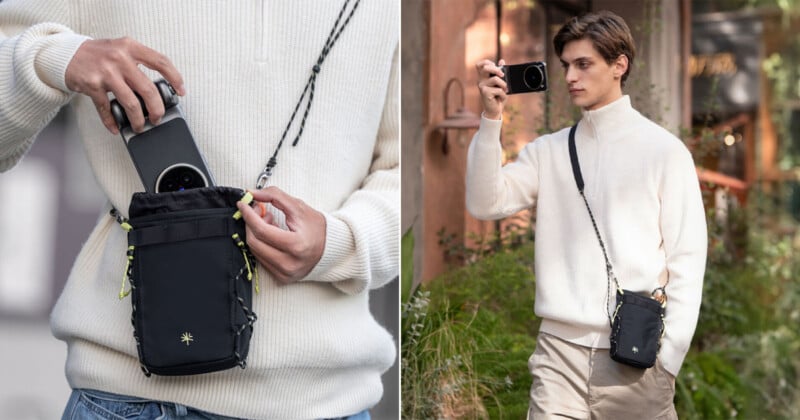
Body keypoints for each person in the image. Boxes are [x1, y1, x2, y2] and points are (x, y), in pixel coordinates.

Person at [0, 1, 398, 419]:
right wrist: (54, 60)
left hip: (331, 400)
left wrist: (341, 244)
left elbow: (403, 169)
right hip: (129, 397)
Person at [468, 10, 707, 419]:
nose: (571, 77)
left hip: (637, 361)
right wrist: (492, 119)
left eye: (584, 64)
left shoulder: (664, 152)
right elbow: (485, 203)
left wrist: (668, 361)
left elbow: (687, 258)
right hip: (558, 359)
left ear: (619, 66)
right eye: (566, 66)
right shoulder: (549, 151)